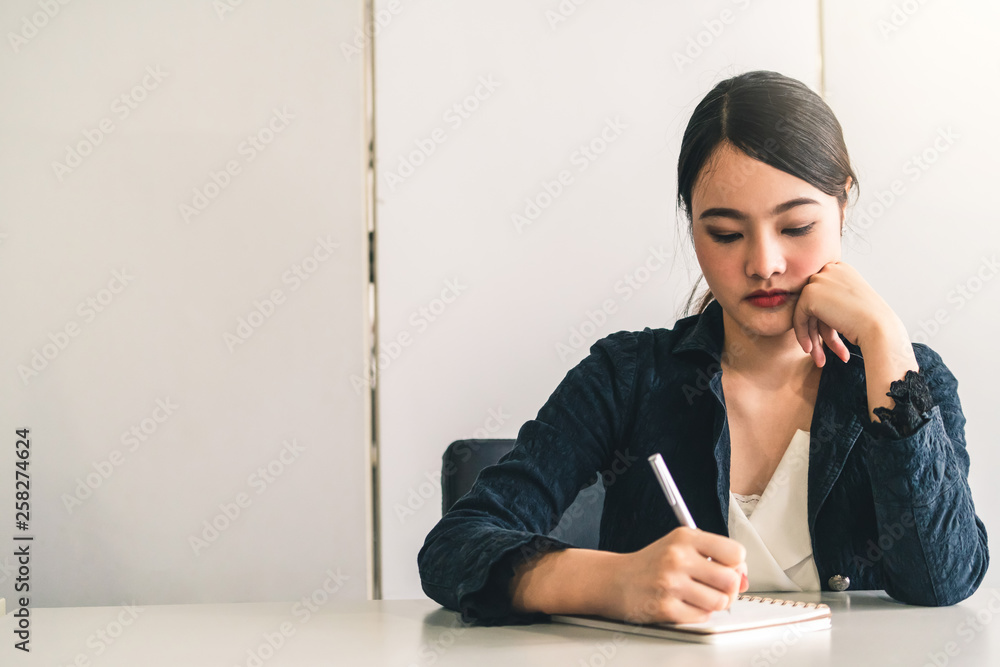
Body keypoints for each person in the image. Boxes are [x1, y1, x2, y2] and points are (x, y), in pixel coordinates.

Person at [416, 70, 989, 627]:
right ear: (691, 228)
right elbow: (454, 548)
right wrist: (615, 584)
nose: (764, 264)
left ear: (842, 208)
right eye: (726, 233)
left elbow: (942, 581)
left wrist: (885, 337)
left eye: (795, 228)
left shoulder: (909, 378)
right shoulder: (627, 377)